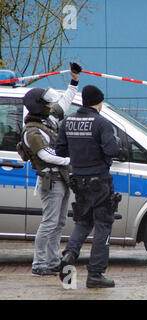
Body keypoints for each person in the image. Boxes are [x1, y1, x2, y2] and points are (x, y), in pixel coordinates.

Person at [18, 63, 82, 276]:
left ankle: (53, 260)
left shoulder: (48, 119)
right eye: (46, 104)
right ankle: (39, 263)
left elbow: (64, 102)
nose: (50, 106)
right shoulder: (32, 131)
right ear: (38, 107)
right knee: (49, 223)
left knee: (59, 222)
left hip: (60, 179)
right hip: (50, 180)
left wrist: (74, 81)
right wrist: (71, 160)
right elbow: (46, 156)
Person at [56, 85, 122, 288]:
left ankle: (69, 255)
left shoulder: (68, 121)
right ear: (99, 102)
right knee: (103, 225)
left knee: (83, 223)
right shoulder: (101, 123)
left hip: (78, 181)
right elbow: (112, 150)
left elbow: (60, 150)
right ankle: (95, 274)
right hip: (99, 181)